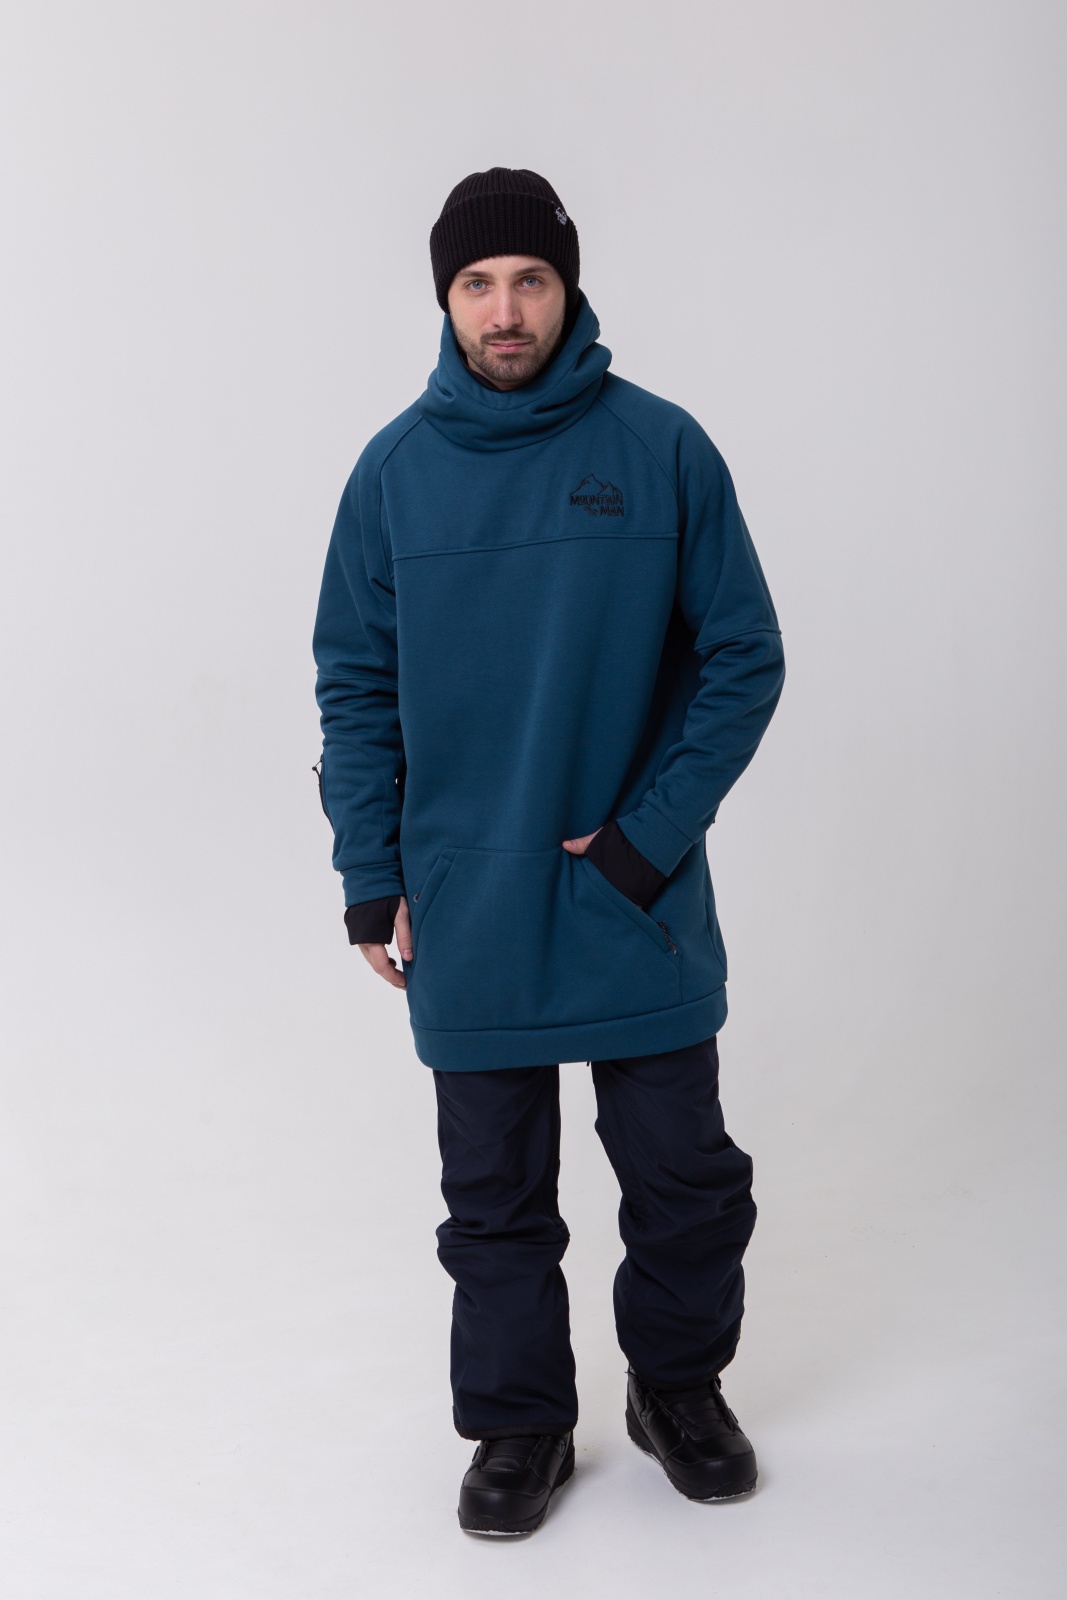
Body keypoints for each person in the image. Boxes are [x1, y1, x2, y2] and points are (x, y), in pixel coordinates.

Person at [312, 167, 785, 1536]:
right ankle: (520, 1423)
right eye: (478, 283)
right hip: (468, 901)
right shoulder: (392, 476)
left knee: (686, 1181)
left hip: (632, 896)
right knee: (493, 1202)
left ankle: (676, 1387)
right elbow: (355, 684)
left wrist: (647, 838)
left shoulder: (663, 450)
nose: (506, 309)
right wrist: (370, 876)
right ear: (446, 299)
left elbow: (744, 657)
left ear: (569, 288)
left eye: (530, 279)